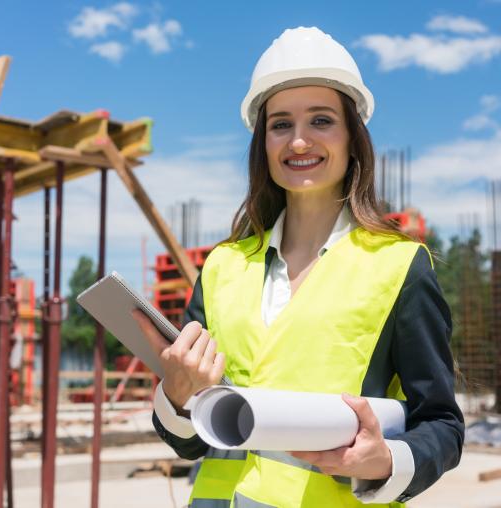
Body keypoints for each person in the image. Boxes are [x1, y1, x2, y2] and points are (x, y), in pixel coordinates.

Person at [133, 26, 463, 507]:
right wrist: (178, 395)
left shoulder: (399, 267)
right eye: (281, 124)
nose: (300, 141)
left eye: (322, 121)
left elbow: (442, 424)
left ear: (353, 138)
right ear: (263, 143)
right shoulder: (223, 268)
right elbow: (189, 440)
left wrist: (387, 460)